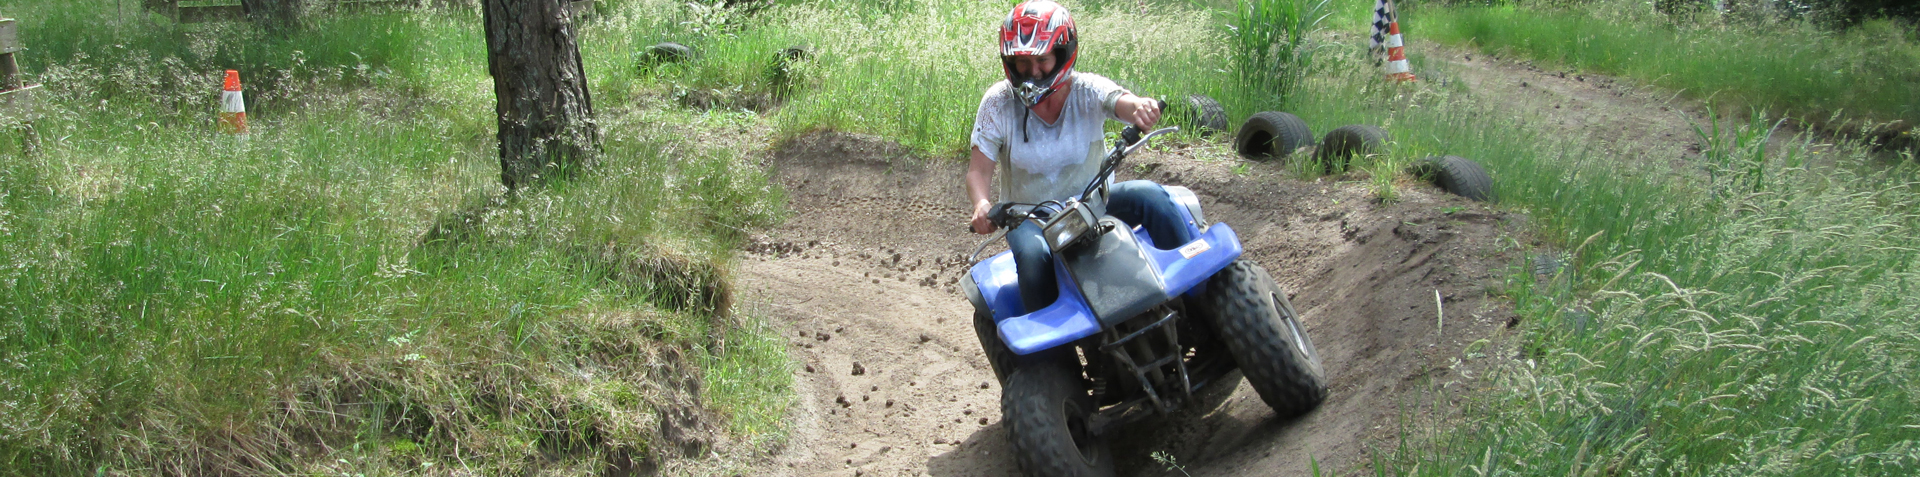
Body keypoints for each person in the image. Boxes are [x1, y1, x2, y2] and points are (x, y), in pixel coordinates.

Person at [966, 0, 1195, 314]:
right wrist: (982, 204)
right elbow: (978, 171)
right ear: (1010, 61)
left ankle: (1200, 300)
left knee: (1153, 197)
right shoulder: (998, 103)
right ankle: (1051, 356)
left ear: (1062, 53)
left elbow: (1121, 102)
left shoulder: (1086, 89)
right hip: (1030, 218)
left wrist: (1141, 107)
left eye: (1042, 59)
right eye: (1023, 61)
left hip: (1095, 202)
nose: (1033, 71)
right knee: (1033, 257)